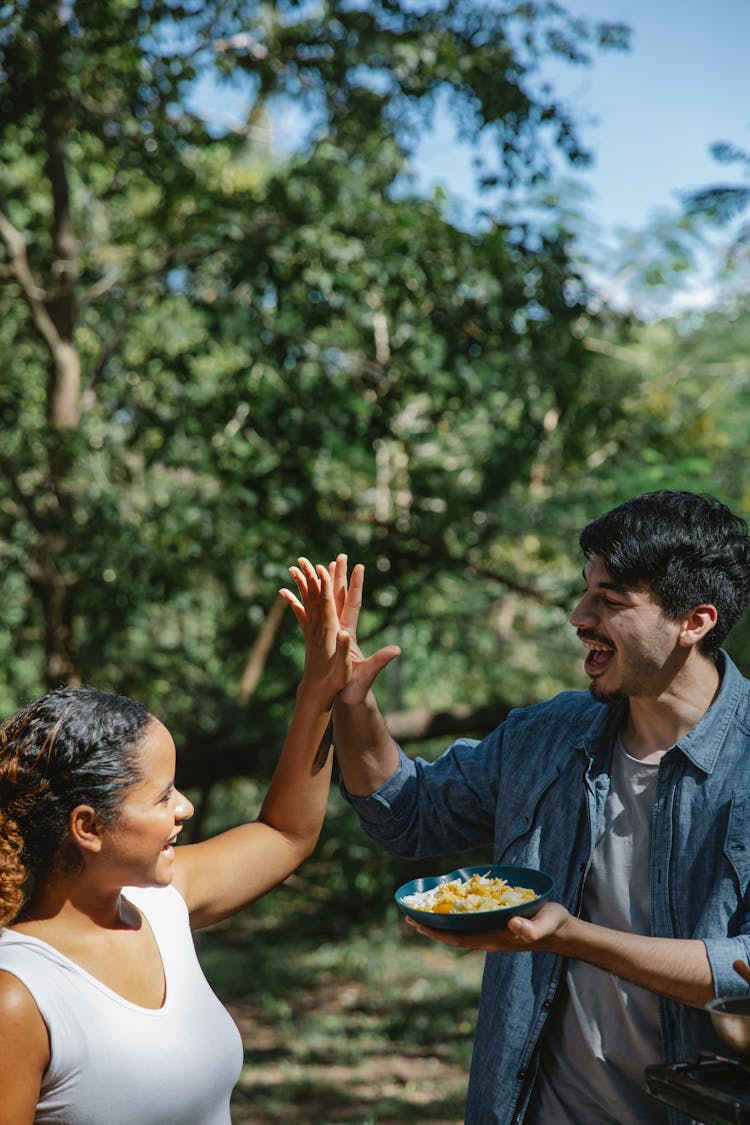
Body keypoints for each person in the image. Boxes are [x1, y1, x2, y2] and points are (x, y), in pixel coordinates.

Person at [288, 491, 750, 1125]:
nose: (578, 616)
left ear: (693, 622)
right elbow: (411, 813)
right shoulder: (548, 734)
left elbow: (743, 969)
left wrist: (574, 938)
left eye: (611, 601)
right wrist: (351, 703)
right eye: (586, 591)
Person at [0, 558, 353, 1125]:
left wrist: (321, 690)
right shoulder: (18, 996)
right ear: (88, 827)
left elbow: (286, 834)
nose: (184, 808)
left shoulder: (158, 904)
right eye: (163, 796)